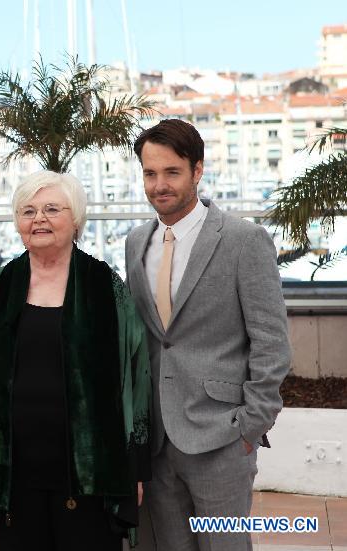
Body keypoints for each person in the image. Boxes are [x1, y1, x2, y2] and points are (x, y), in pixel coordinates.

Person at [0, 170, 152, 550]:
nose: (38, 219)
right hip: (12, 468)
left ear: (75, 218)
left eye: (51, 209)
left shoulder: (106, 287)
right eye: (27, 210)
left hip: (90, 470)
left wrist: (135, 468)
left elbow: (135, 379)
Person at [125, 118, 291, 551]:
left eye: (172, 172)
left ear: (197, 170)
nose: (160, 184)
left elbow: (272, 345)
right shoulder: (135, 242)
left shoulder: (243, 240)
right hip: (159, 442)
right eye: (150, 173)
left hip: (222, 437)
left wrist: (249, 428)